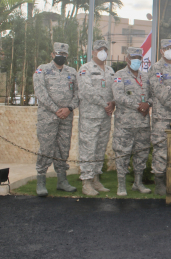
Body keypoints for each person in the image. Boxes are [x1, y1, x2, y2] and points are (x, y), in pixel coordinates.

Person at [33, 42, 79, 197]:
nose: (61, 56)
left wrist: (69, 108)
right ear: (52, 54)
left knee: (63, 148)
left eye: (64, 54)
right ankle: (41, 181)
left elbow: (78, 94)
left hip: (66, 116)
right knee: (46, 148)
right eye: (58, 53)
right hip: (48, 116)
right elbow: (40, 92)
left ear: (67, 55)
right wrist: (56, 110)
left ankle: (62, 181)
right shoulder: (42, 70)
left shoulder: (72, 72)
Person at [112, 47, 153, 196]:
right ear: (127, 59)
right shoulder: (119, 75)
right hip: (125, 124)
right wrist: (138, 106)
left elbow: (153, 95)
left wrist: (148, 103)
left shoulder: (146, 77)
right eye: (133, 57)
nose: (136, 60)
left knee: (141, 153)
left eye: (139, 58)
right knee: (122, 154)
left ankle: (138, 183)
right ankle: (121, 185)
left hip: (142, 124)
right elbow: (118, 96)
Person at [77, 40, 116, 196]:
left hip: (105, 117)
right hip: (90, 116)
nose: (102, 51)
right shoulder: (85, 69)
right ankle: (86, 182)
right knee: (88, 148)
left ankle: (95, 179)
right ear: (93, 52)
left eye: (105, 49)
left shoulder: (111, 70)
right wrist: (104, 104)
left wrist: (112, 103)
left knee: (100, 148)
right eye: (99, 49)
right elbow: (86, 90)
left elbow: (115, 91)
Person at [148, 39, 171, 196]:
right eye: (166, 48)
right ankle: (160, 183)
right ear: (161, 50)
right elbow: (161, 93)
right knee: (161, 150)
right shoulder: (156, 68)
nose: (170, 50)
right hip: (162, 118)